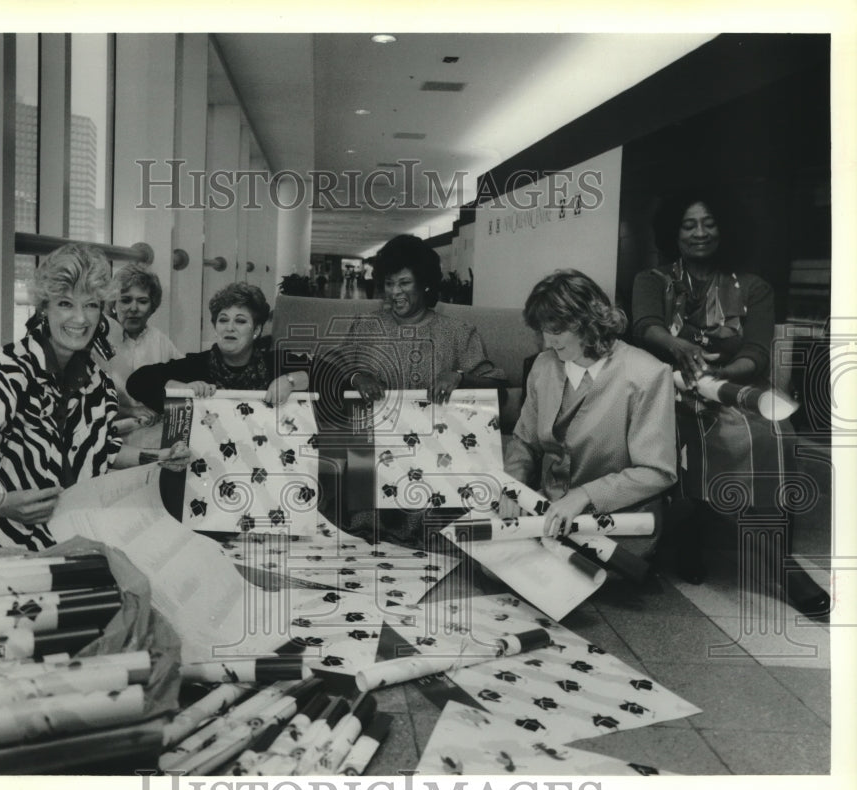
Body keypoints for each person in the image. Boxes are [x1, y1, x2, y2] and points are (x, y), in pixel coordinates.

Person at [0, 244, 189, 550]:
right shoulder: (0, 377)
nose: (80, 319)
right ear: (44, 307)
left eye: (91, 305)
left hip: (61, 544)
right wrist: (0, 504)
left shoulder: (96, 383)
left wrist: (158, 459)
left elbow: (102, 450)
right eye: (66, 304)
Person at [631, 189, 829, 616]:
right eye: (688, 224)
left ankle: (783, 561)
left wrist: (720, 376)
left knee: (777, 433)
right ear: (673, 231)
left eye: (709, 223)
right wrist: (676, 344)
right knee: (683, 434)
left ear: (725, 229)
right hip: (670, 389)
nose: (700, 232)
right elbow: (645, 325)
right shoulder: (652, 280)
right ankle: (690, 533)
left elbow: (756, 352)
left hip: (732, 389)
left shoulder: (753, 287)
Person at [504, 269, 677, 551]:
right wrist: (513, 489)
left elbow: (658, 471)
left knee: (567, 578)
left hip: (617, 516)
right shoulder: (544, 366)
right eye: (543, 331)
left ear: (588, 323)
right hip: (550, 507)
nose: (548, 342)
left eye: (557, 331)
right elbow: (524, 442)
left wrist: (585, 495)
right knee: (489, 559)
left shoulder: (648, 374)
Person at [346, 234, 506, 405]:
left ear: (425, 284)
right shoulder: (365, 326)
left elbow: (499, 391)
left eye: (404, 283)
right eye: (389, 283)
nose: (394, 292)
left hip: (440, 429)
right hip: (373, 428)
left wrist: (460, 378)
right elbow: (332, 372)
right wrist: (356, 378)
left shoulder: (457, 332)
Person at [126, 282, 309, 413]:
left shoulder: (274, 362)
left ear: (256, 330)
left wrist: (291, 380)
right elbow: (137, 381)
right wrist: (175, 386)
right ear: (215, 327)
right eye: (223, 320)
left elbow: (332, 376)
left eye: (240, 321)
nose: (229, 328)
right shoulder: (196, 365)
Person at [103, 263, 181, 420]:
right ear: (113, 304)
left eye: (142, 301)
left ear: (152, 306)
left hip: (151, 429)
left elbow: (184, 376)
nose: (134, 308)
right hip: (110, 430)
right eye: (125, 300)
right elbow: (86, 400)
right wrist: (129, 411)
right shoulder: (100, 339)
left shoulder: (160, 340)